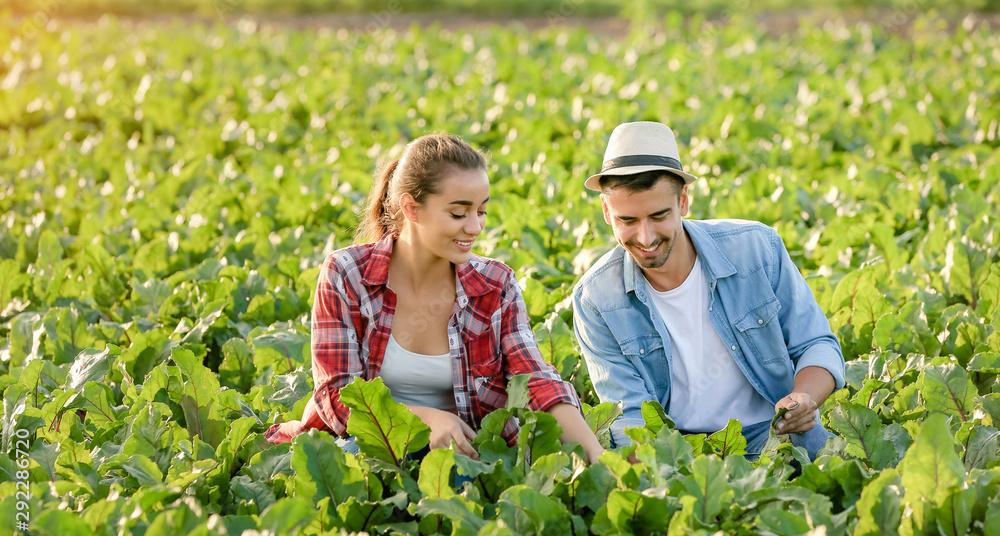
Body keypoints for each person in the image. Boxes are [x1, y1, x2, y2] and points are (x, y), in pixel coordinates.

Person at [266, 133, 604, 464]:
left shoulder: (496, 284)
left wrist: (595, 454)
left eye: (481, 212)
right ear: (411, 209)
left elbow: (536, 380)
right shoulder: (347, 274)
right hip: (364, 451)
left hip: (467, 460)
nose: (474, 227)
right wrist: (427, 419)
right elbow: (337, 396)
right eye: (459, 214)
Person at [572, 121, 845, 459]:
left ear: (683, 202)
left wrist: (804, 398)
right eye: (627, 221)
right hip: (680, 452)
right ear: (606, 212)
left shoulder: (756, 248)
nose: (645, 238)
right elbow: (629, 418)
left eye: (659, 216)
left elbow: (817, 343)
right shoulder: (596, 299)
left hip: (779, 437)